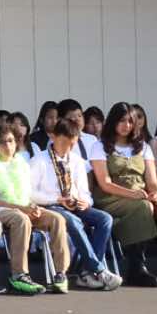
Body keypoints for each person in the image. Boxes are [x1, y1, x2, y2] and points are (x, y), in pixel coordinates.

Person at [91, 103, 157, 286]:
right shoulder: (100, 146)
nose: (126, 125)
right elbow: (105, 183)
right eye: (121, 121)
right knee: (142, 207)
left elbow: (152, 181)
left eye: (130, 121)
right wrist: (132, 194)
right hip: (111, 197)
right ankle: (136, 268)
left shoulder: (143, 147)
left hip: (141, 193)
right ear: (113, 122)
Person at [0, 123, 69, 295]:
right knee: (21, 219)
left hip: (22, 206)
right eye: (2, 142)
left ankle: (60, 273)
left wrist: (33, 207)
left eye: (11, 141)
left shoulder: (21, 164)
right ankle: (19, 274)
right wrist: (23, 209)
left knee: (57, 219)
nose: (7, 146)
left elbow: (27, 194)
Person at [30, 114, 121, 290]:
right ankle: (98, 270)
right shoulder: (39, 160)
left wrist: (85, 202)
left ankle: (87, 272)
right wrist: (57, 199)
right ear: (53, 137)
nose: (68, 148)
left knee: (104, 219)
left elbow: (85, 192)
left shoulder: (77, 161)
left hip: (74, 204)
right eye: (64, 143)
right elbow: (29, 193)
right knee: (73, 221)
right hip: (50, 206)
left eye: (72, 144)